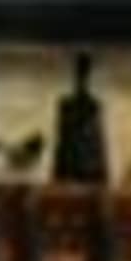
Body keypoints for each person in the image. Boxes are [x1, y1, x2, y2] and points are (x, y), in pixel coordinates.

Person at [49, 52, 110, 186]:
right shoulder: (67, 105)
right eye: (80, 72)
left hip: (87, 168)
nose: (82, 77)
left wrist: (103, 172)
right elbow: (61, 138)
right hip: (72, 167)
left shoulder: (93, 106)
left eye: (84, 72)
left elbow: (98, 139)